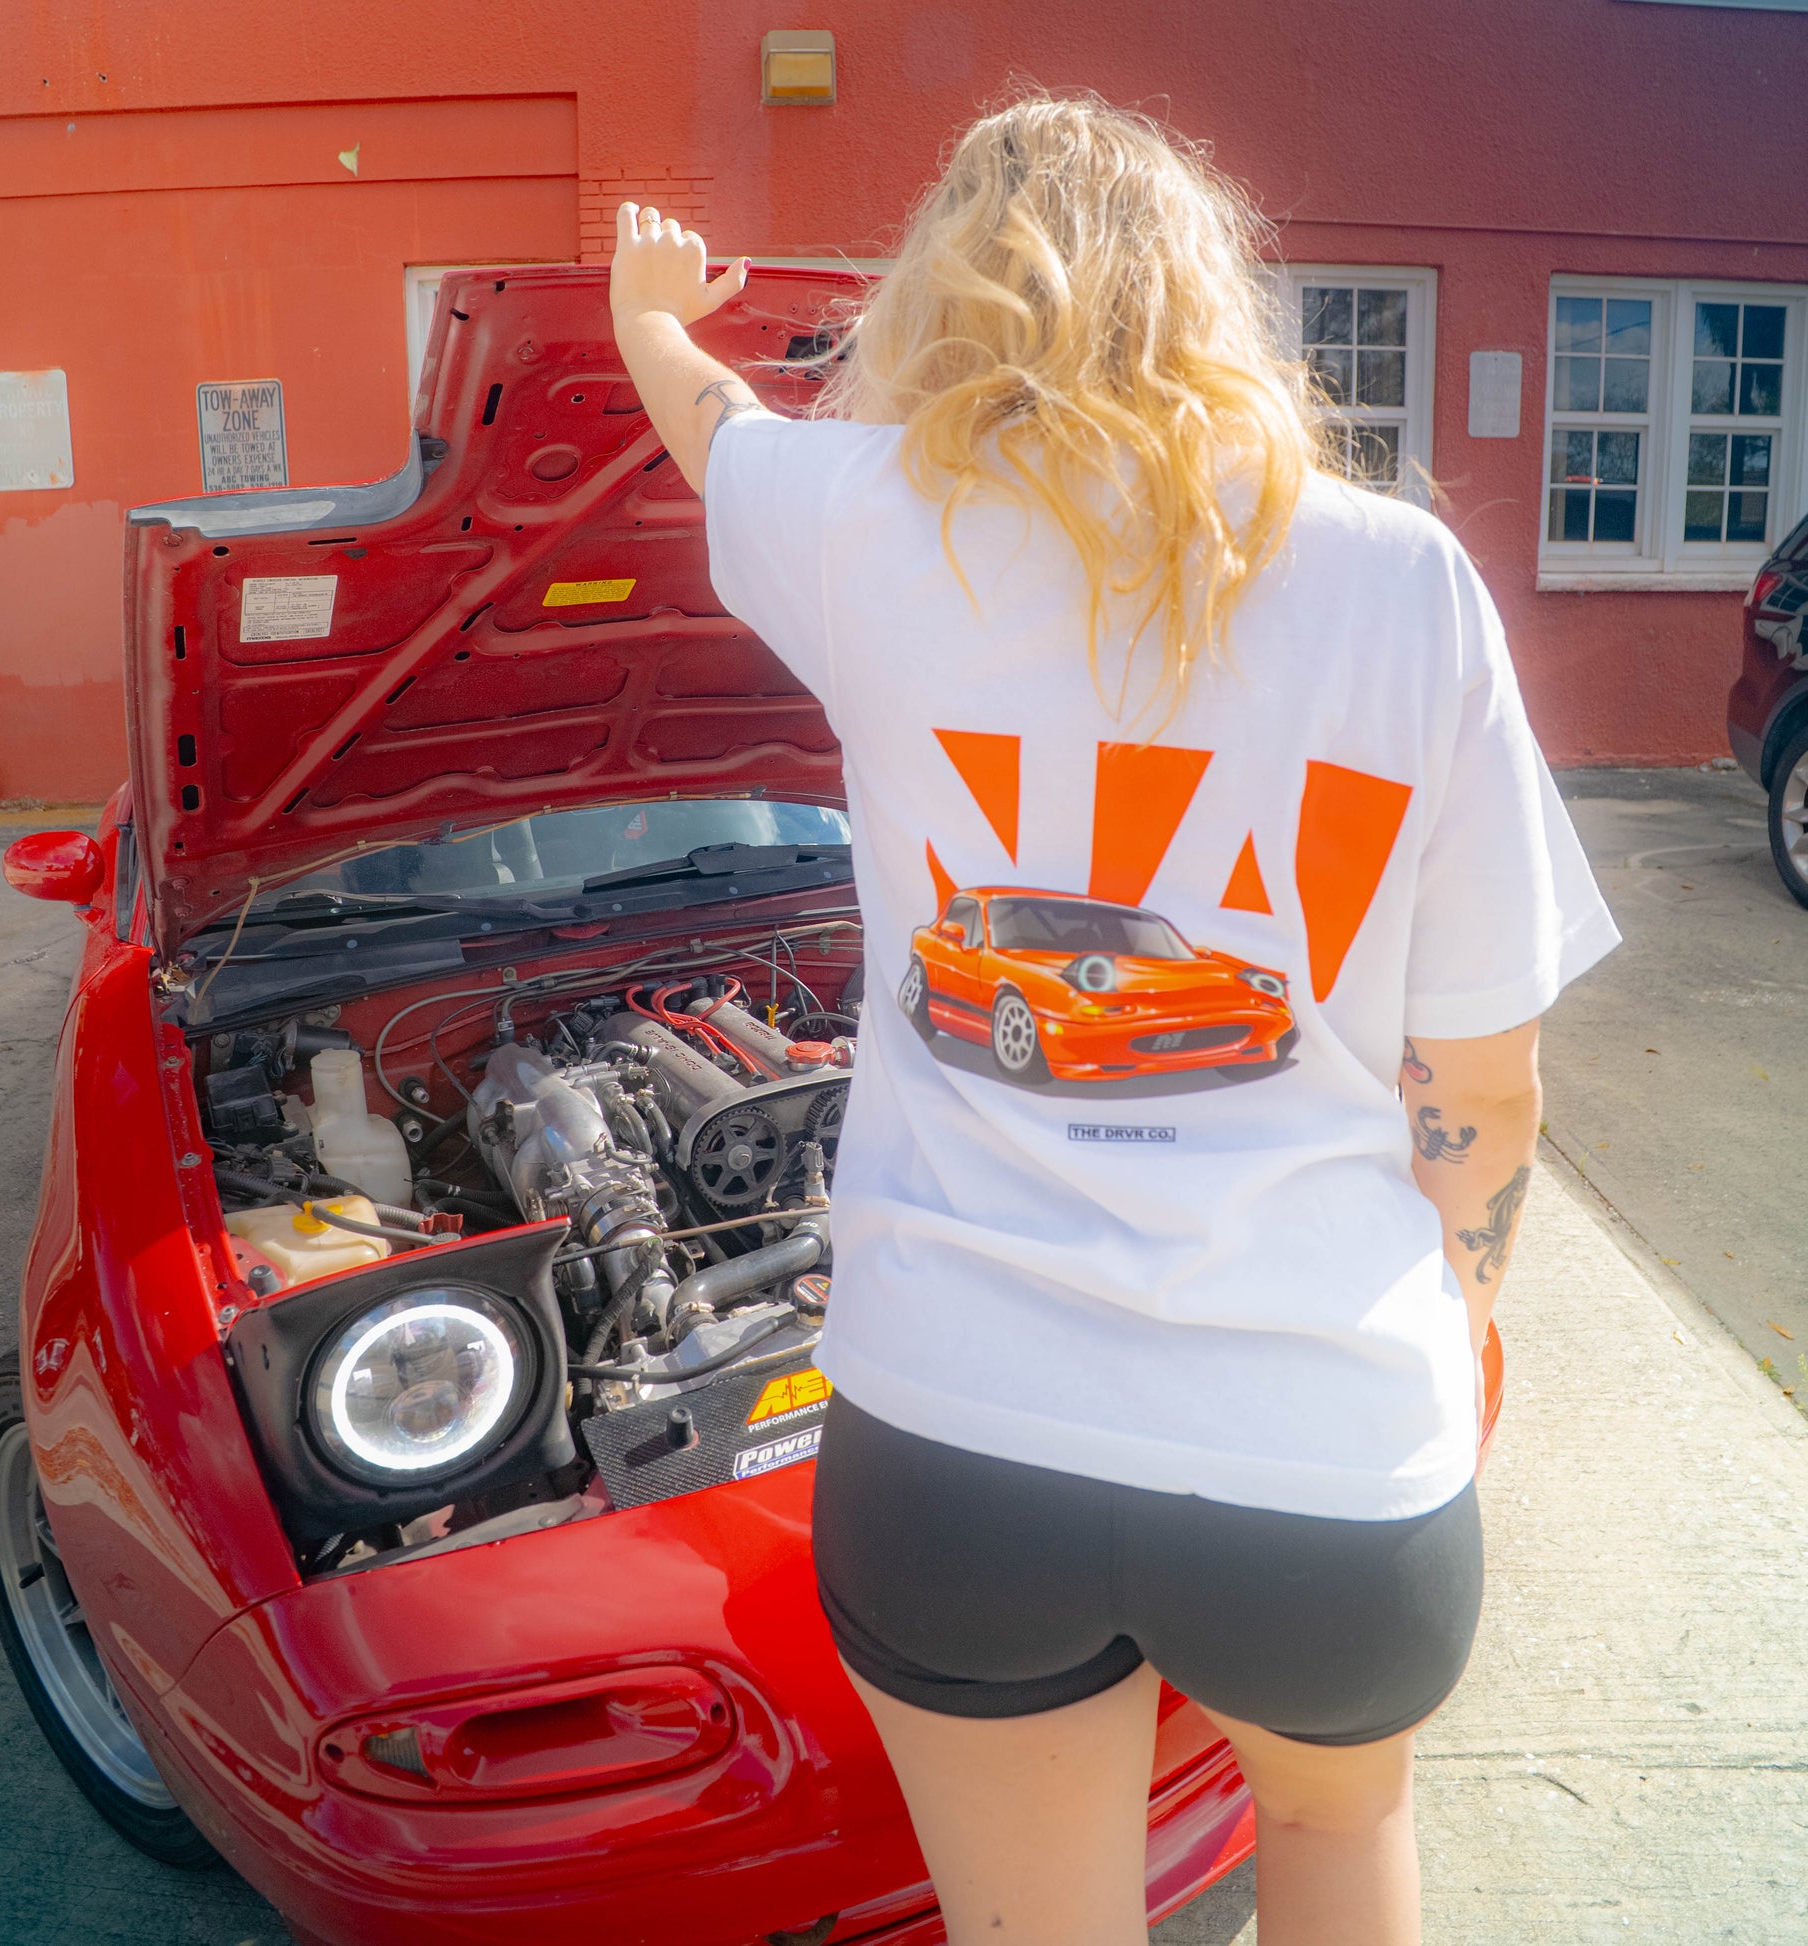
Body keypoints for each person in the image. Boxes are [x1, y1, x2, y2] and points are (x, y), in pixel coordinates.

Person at [606, 93, 1617, 1946]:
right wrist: (1438, 1317)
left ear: (938, 302)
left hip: (955, 1436)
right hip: (1327, 1448)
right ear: (1211, 293)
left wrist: (645, 305)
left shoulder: (866, 523)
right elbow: (1484, 1073)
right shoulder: (1402, 581)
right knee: (1329, 1843)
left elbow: (712, 425)